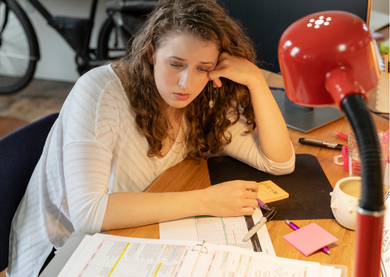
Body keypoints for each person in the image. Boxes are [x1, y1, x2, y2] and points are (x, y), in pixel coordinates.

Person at [7, 0, 295, 276]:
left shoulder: (202, 98)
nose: (186, 83)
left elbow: (278, 162)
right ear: (150, 53)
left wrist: (256, 81)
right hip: (65, 251)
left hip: (135, 236)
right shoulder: (99, 92)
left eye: (203, 68)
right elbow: (88, 214)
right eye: (175, 64)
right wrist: (206, 201)